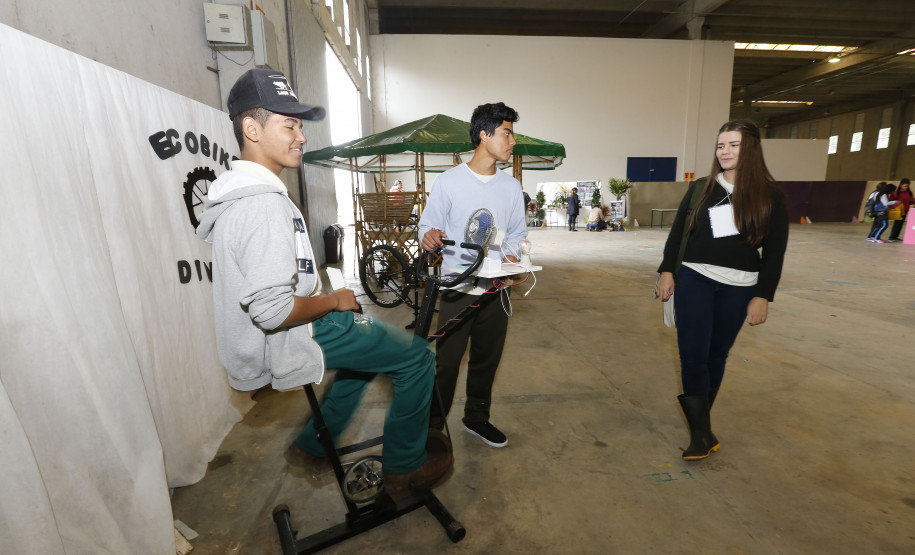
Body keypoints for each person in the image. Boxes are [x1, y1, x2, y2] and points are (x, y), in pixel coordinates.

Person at [195, 68, 451, 497]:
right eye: (289, 124)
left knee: (366, 356)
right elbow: (273, 312)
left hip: (289, 330)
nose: (301, 136)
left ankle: (315, 444)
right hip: (299, 331)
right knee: (417, 359)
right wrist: (334, 302)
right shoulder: (262, 205)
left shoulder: (237, 193)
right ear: (252, 128)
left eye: (300, 125)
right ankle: (406, 468)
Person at [655, 120, 789, 461]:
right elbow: (677, 235)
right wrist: (667, 271)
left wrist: (763, 295)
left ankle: (702, 426)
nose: (725, 151)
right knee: (692, 353)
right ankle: (701, 434)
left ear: (751, 149)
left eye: (734, 145)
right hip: (695, 277)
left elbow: (775, 251)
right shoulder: (702, 188)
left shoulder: (771, 196)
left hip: (741, 286)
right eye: (720, 145)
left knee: (716, 355)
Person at [418, 102, 528, 448]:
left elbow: (515, 235)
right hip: (456, 287)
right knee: (447, 363)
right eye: (507, 133)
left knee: (486, 359)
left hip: (496, 289)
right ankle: (433, 427)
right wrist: (429, 236)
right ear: (484, 135)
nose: (512, 141)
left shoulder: (511, 188)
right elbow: (427, 225)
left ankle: (477, 418)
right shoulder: (449, 182)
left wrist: (515, 262)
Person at [887, 178, 912, 242]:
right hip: (898, 210)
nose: (906, 187)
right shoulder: (895, 193)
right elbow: (891, 201)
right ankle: (892, 237)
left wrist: (911, 201)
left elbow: (911, 201)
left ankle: (896, 236)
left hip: (905, 210)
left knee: (901, 224)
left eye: (907, 186)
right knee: (897, 223)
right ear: (901, 185)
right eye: (905, 186)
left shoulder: (909, 193)